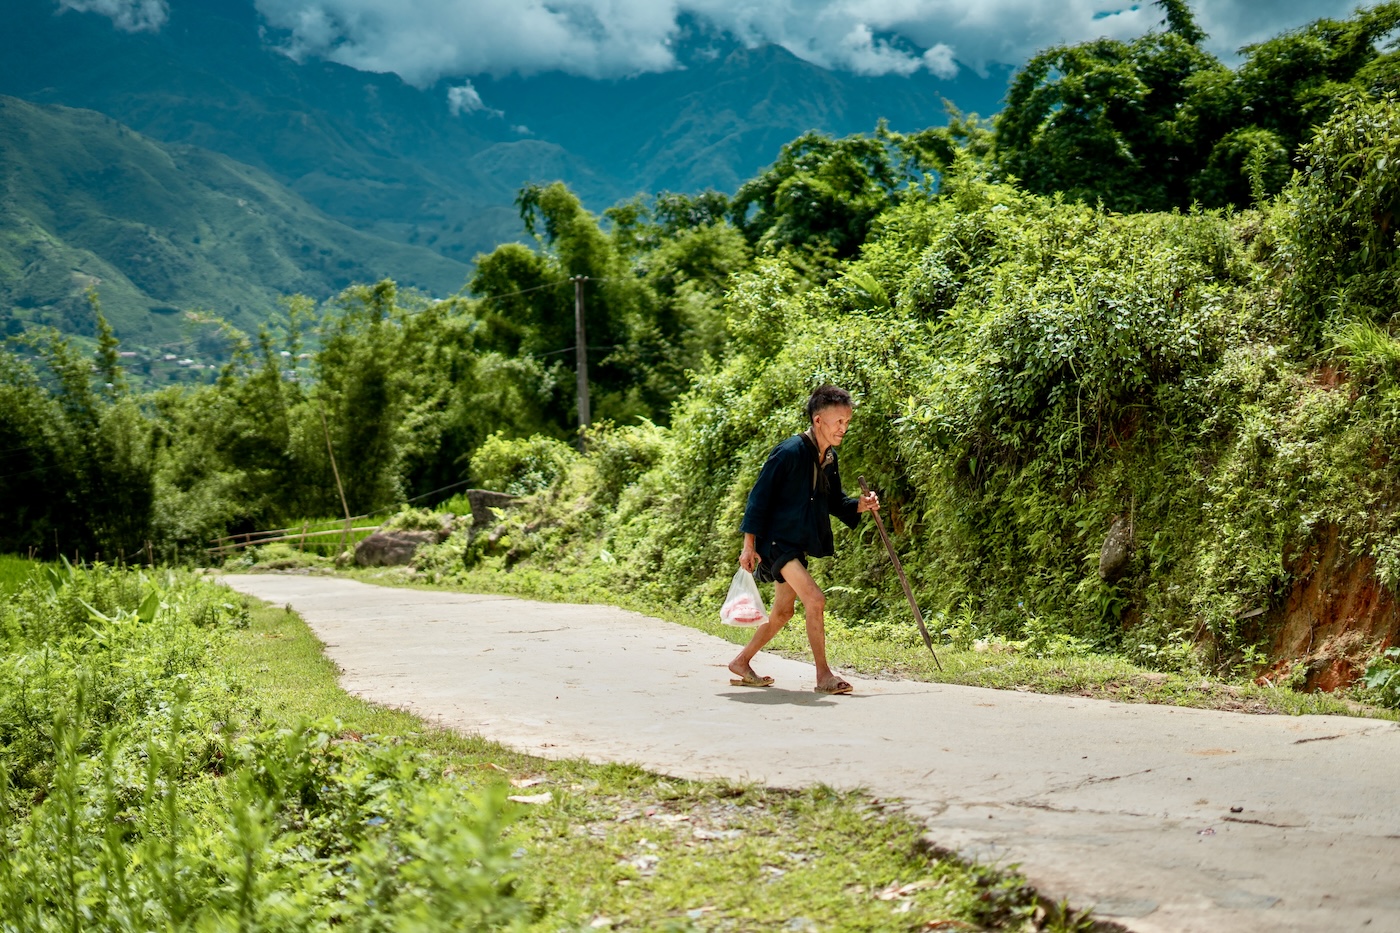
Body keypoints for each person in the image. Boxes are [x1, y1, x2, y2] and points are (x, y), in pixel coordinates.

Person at [729, 384, 879, 695]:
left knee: (783, 612)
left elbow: (835, 502)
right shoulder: (789, 452)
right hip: (776, 542)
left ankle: (741, 662)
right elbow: (758, 498)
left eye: (847, 422)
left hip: (794, 544)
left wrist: (860, 505)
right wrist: (748, 545)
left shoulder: (829, 458)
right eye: (839, 421)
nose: (844, 428)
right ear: (818, 420)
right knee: (815, 598)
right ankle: (824, 675)